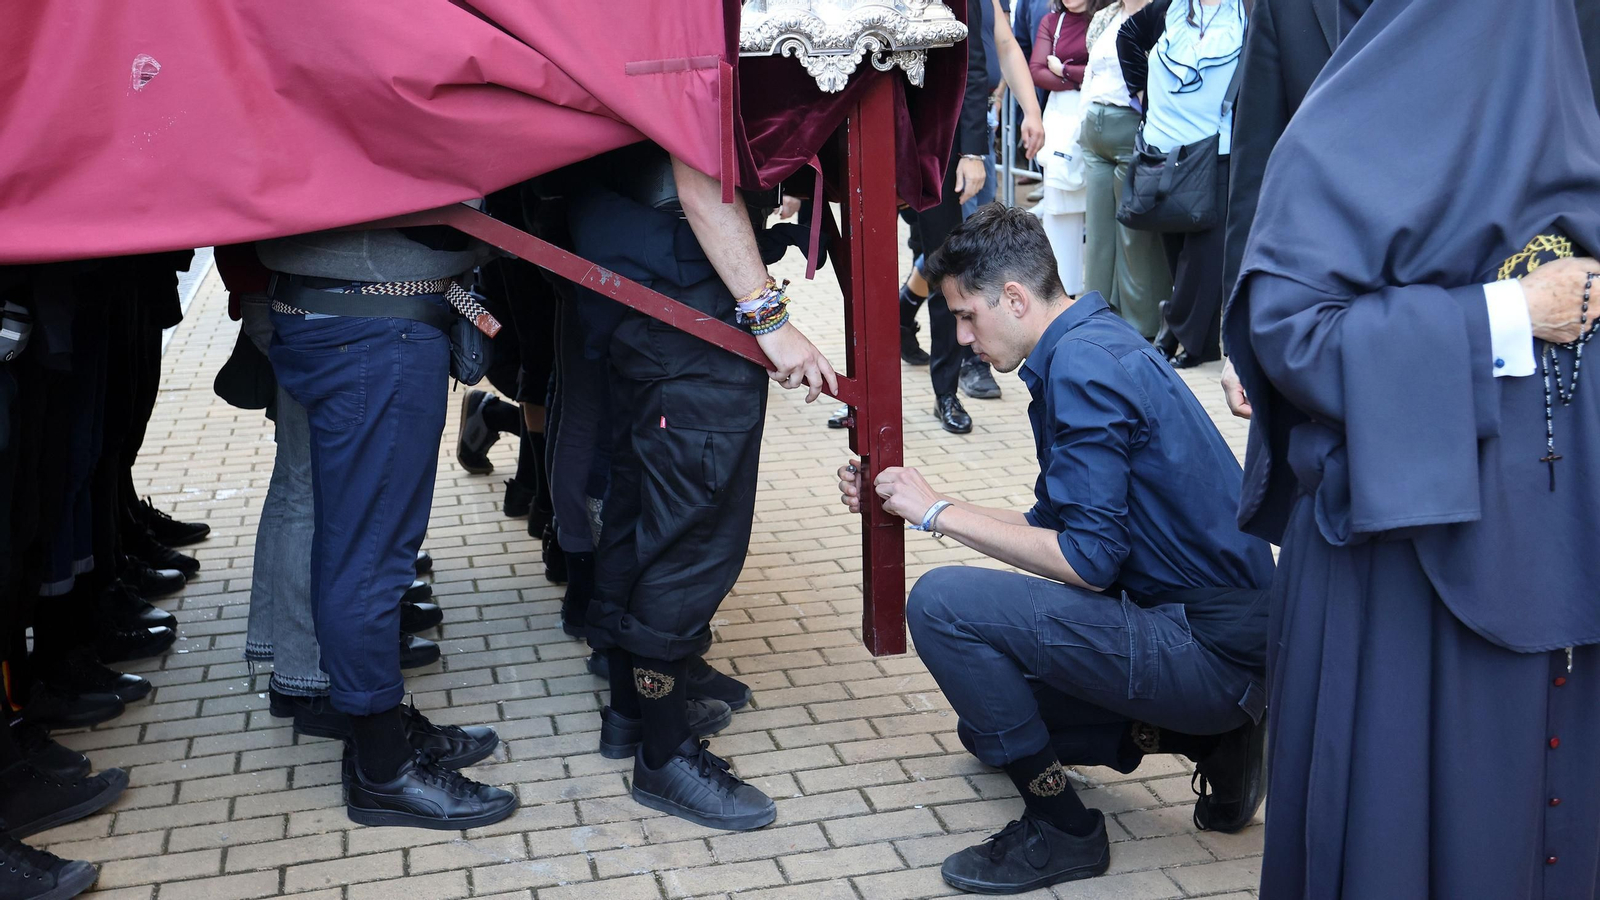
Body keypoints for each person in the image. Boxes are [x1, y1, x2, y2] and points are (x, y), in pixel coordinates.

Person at [1229, 0, 1600, 894]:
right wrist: (1507, 316)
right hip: (1407, 567)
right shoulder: (1338, 142)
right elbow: (1294, 331)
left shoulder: (1573, 141)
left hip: (1558, 535)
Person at [839, 206, 1272, 894]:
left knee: (943, 604)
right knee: (988, 730)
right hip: (1223, 646)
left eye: (966, 316)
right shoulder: (1091, 344)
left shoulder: (1080, 368)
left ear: (1014, 298)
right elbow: (1054, 526)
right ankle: (1214, 740)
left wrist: (938, 516)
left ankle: (1062, 829)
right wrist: (918, 501)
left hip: (1208, 648)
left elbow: (1087, 563)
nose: (960, 336)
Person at [571, 144, 838, 831]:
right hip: (684, 290)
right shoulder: (684, 40)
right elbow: (699, 171)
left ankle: (634, 714)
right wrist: (770, 320)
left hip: (650, 278)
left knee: (643, 514)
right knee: (690, 538)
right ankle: (664, 757)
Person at [259, 227, 518, 830]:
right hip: (373, 323)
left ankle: (378, 735)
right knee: (371, 560)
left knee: (352, 547)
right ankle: (384, 771)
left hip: (345, 309)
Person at [896, 0, 1046, 434]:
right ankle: (860, 390)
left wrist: (972, 151)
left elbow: (975, 64)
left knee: (950, 265)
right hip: (879, 134)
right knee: (880, 266)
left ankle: (947, 390)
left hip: (940, 147)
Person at [1118, 0, 1244, 366]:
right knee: (1175, 245)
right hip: (1163, 145)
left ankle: (1172, 329)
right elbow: (1128, 36)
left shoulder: (1249, 11)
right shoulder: (1166, 8)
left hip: (1218, 149)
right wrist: (1141, 92)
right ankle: (1201, 344)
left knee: (1204, 252)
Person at [1079, 0, 1169, 339]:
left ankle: (1140, 323)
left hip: (1132, 127)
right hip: (1095, 127)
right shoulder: (1104, 16)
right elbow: (1091, 73)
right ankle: (1095, 316)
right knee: (1099, 232)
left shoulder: (1161, 16)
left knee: (1134, 232)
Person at [1029, 0, 1094, 295]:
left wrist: (1065, 71)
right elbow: (1037, 70)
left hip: (1098, 122)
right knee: (1059, 213)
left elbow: (1113, 68)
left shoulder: (1106, 18)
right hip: (1063, 124)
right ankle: (1062, 293)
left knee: (1100, 218)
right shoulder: (1052, 22)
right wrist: (1082, 78)